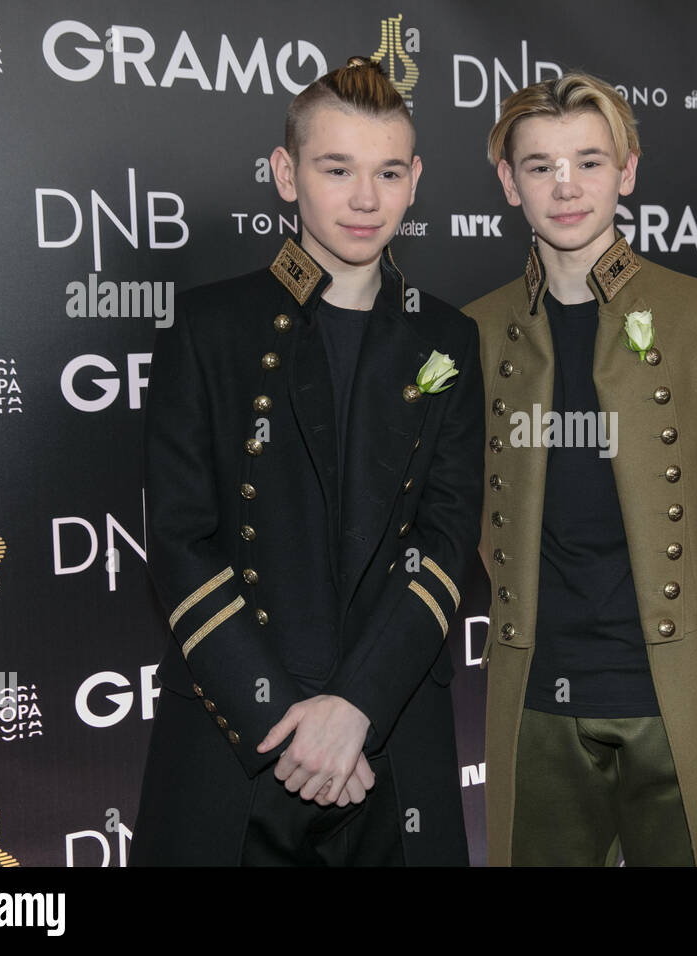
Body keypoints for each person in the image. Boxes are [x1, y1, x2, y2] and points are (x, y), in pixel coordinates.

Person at [131, 57, 482, 866]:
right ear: (286, 175)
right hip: (235, 740)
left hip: (391, 745)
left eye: (388, 172)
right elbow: (181, 541)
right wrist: (283, 720)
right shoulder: (207, 328)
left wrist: (356, 706)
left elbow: (446, 535)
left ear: (416, 179)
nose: (366, 199)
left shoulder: (449, 340)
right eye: (337, 169)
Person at [463, 72, 697, 866]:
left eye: (590, 162)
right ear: (508, 182)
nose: (565, 186)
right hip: (538, 698)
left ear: (628, 171)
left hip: (676, 696)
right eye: (539, 166)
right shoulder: (474, 330)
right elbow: (470, 509)